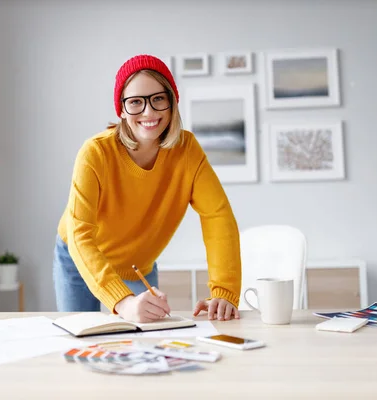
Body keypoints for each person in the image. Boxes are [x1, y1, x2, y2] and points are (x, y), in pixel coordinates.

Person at [53, 54, 241, 323]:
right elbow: (80, 234)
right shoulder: (95, 153)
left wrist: (224, 290)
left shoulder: (187, 151)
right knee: (83, 335)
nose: (149, 112)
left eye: (158, 99)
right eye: (136, 102)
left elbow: (217, 216)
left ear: (171, 102)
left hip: (137, 266)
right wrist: (122, 302)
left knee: (150, 340)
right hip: (79, 257)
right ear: (121, 109)